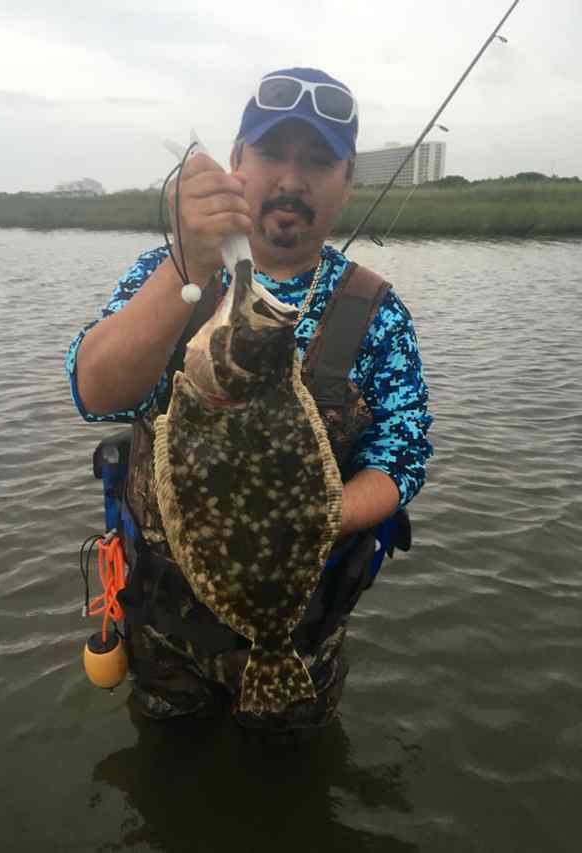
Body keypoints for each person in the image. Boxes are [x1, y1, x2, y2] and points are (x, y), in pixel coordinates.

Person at [66, 67, 433, 731]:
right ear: (236, 161)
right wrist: (187, 263)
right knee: (165, 766)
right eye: (271, 153)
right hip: (165, 631)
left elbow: (403, 455)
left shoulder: (377, 312)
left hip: (297, 630)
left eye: (317, 161)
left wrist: (314, 517)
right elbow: (93, 392)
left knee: (294, 770)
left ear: (347, 181)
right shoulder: (167, 273)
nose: (291, 178)